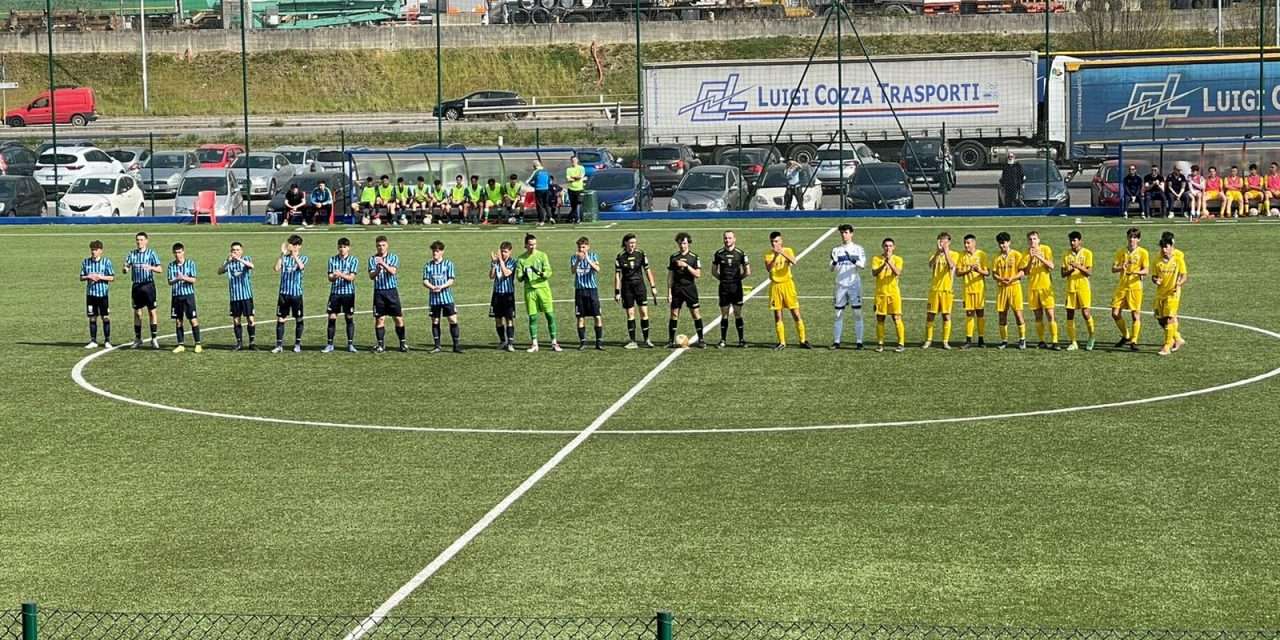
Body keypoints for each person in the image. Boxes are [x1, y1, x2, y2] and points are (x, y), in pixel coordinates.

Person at [765, 231, 810, 350]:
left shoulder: (788, 250)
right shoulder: (768, 254)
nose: (774, 244)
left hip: (788, 285)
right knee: (778, 315)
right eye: (772, 242)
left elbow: (794, 261)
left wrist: (782, 253)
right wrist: (775, 255)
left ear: (781, 241)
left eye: (776, 241)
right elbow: (768, 268)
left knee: (795, 313)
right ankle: (782, 342)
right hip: (775, 286)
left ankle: (803, 340)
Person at [516, 233, 560, 352]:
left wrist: (541, 274)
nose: (533, 247)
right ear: (525, 245)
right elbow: (519, 278)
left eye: (534, 244)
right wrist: (524, 274)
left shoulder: (542, 256)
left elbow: (548, 272)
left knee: (550, 315)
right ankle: (534, 343)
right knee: (533, 317)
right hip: (530, 290)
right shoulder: (521, 259)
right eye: (530, 245)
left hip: (543, 289)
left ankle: (554, 342)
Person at [615, 233, 657, 349]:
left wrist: (653, 286)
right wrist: (617, 292)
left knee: (644, 312)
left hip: (640, 287)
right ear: (625, 243)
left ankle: (646, 339)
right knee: (630, 314)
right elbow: (618, 275)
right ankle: (632, 341)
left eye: (634, 243)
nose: (633, 245)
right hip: (627, 288)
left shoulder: (641, 254)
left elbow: (648, 271)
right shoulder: (620, 256)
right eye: (630, 243)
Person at [1110, 227, 1149, 351]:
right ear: (1127, 238)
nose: (1132, 240)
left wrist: (1137, 272)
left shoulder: (1143, 252)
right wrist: (1121, 267)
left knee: (1135, 315)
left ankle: (1134, 340)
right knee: (1115, 313)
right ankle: (1126, 335)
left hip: (1135, 287)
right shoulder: (1121, 252)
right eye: (1130, 237)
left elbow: (1146, 270)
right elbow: (1113, 268)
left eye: (1134, 237)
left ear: (1139, 239)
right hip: (1122, 286)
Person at [123, 231, 163, 349]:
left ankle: (154, 338)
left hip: (148, 286)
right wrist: (125, 269)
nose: (139, 242)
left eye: (141, 240)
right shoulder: (132, 254)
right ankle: (138, 338)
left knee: (152, 311)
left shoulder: (151, 253)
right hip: (136, 286)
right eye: (137, 240)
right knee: (137, 312)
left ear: (146, 241)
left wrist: (150, 267)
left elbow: (160, 269)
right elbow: (126, 266)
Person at [712, 230, 750, 349]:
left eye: (729, 238)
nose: (727, 240)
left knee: (737, 314)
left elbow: (748, 271)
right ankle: (723, 340)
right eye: (725, 238)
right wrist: (723, 280)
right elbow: (714, 271)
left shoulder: (741, 254)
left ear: (734, 239)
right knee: (724, 314)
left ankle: (741, 340)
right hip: (724, 288)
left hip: (736, 288)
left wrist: (737, 280)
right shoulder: (718, 253)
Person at [829, 223, 865, 349]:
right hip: (840, 285)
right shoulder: (836, 250)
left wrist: (852, 259)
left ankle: (859, 342)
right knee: (838, 314)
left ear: (851, 233)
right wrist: (834, 262)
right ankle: (836, 341)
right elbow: (831, 268)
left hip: (854, 285)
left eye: (846, 232)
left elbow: (862, 265)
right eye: (842, 233)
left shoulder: (858, 249)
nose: (844, 235)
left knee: (857, 313)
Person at [368, 235, 407, 353]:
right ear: (376, 246)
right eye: (379, 245)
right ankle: (380, 344)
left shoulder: (393, 257)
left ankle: (402, 343)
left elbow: (393, 271)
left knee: (398, 318)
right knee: (380, 319)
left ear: (387, 245)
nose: (381, 248)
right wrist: (377, 270)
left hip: (391, 292)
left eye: (383, 245)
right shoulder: (371, 259)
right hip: (379, 292)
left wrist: (383, 264)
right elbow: (371, 276)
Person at [423, 240, 462, 353]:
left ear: (442, 252)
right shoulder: (428, 265)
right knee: (435, 321)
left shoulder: (448, 264)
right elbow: (425, 280)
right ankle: (437, 346)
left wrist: (441, 286)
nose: (435, 253)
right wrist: (432, 287)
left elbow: (451, 280)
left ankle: (456, 345)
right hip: (434, 299)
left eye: (437, 251)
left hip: (447, 298)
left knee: (452, 320)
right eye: (434, 251)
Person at [1021, 230, 1059, 349]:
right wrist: (1032, 259)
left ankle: (1055, 341)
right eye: (1030, 239)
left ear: (1039, 240)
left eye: (1034, 239)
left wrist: (1039, 256)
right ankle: (1041, 341)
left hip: (1045, 287)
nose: (1032, 241)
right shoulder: (1025, 254)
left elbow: (1051, 266)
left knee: (1050, 315)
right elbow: (1025, 272)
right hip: (1033, 288)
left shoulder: (1046, 249)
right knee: (1038, 316)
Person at [667, 232, 705, 348]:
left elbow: (698, 274)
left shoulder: (694, 257)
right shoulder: (673, 257)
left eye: (684, 243)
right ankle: (670, 341)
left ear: (688, 243)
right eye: (680, 243)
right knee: (674, 314)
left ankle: (701, 339)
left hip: (689, 288)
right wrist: (669, 292)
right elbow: (670, 276)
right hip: (677, 289)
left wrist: (686, 265)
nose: (682, 246)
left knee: (695, 313)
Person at [922, 231, 958, 349]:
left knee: (946, 316)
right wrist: (938, 252)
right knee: (930, 315)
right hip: (934, 290)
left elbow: (952, 266)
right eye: (940, 241)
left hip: (947, 290)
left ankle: (945, 341)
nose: (942, 243)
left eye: (944, 241)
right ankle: (928, 340)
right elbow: (930, 264)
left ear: (949, 242)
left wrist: (946, 252)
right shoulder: (935, 255)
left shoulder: (954, 254)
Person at [1152, 235, 1188, 356]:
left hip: (1173, 294)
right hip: (1160, 294)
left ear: (1171, 246)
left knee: (1169, 318)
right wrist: (1156, 280)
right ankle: (1177, 338)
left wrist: (1179, 284)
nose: (1163, 249)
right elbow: (1154, 276)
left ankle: (1167, 346)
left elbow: (1184, 276)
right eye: (1162, 247)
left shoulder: (1178, 259)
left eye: (1166, 247)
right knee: (1160, 320)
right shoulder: (1157, 261)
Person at [991, 231, 1027, 350]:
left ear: (1009, 242)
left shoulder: (1017, 255)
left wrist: (1012, 278)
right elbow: (994, 274)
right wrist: (1001, 278)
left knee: (1018, 314)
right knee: (1002, 315)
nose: (1002, 246)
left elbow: (1022, 272)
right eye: (1000, 244)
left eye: (1004, 243)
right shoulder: (996, 257)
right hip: (1002, 288)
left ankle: (1022, 339)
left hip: (1014, 287)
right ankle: (1004, 341)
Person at [272, 234, 308, 353]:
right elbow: (276, 269)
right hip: (283, 293)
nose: (289, 246)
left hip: (296, 294)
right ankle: (279, 345)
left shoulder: (303, 258)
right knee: (281, 319)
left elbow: (301, 267)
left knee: (298, 318)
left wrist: (293, 255)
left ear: (298, 246)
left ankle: (297, 344)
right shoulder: (285, 258)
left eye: (291, 244)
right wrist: (282, 254)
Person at [218, 241, 256, 351]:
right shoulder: (228, 262)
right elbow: (219, 271)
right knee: (236, 320)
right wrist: (226, 263)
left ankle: (252, 342)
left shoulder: (246, 259)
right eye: (233, 250)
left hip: (246, 295)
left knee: (250, 319)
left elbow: (251, 266)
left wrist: (239, 259)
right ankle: (239, 343)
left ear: (242, 251)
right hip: (234, 296)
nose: (235, 252)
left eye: (237, 250)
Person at [324, 237, 359, 353]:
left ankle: (350, 344)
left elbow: (352, 278)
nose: (342, 249)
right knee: (332, 317)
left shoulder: (353, 260)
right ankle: (329, 344)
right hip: (335, 294)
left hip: (348, 294)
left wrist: (340, 274)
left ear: (348, 248)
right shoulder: (332, 260)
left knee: (349, 317)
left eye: (344, 247)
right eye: (340, 247)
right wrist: (334, 276)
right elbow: (330, 278)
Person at [1061, 230, 1095, 351]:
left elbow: (1089, 272)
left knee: (1086, 313)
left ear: (1080, 241)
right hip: (1071, 287)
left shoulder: (1087, 253)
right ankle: (1073, 342)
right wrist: (1070, 270)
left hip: (1083, 287)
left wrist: (1078, 266)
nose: (1072, 242)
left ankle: (1091, 336)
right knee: (1070, 314)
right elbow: (1062, 274)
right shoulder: (1066, 254)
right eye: (1071, 240)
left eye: (1074, 240)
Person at [870, 237, 905, 353]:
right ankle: (880, 343)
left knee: (897, 318)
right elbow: (874, 273)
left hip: (894, 293)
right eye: (886, 246)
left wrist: (889, 262)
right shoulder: (876, 259)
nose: (888, 248)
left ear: (894, 247)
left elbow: (898, 273)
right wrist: (883, 264)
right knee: (880, 318)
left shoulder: (898, 259)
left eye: (890, 246)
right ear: (882, 247)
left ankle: (901, 343)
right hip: (880, 294)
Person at [166, 242, 201, 353]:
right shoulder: (171, 265)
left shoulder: (190, 264)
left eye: (179, 252)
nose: (177, 255)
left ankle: (198, 343)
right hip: (176, 296)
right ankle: (181, 344)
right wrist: (177, 279)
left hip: (188, 296)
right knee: (178, 321)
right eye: (175, 253)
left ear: (183, 252)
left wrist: (183, 278)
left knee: (193, 320)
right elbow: (170, 281)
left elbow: (194, 279)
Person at [571, 236, 605, 350]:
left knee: (597, 316)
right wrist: (578, 261)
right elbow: (572, 271)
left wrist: (588, 260)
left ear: (588, 247)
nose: (581, 249)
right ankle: (582, 342)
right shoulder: (574, 257)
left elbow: (597, 269)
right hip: (580, 290)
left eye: (584, 247)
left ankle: (598, 342)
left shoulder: (593, 256)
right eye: (580, 247)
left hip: (592, 290)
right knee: (580, 317)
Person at [80, 239, 115, 349]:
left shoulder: (106, 262)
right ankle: (93, 340)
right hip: (91, 294)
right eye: (92, 250)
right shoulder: (86, 262)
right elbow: (81, 277)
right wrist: (88, 276)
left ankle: (107, 340)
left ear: (101, 251)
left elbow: (112, 277)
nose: (93, 252)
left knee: (105, 317)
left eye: (95, 250)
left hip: (103, 294)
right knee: (92, 317)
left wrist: (100, 277)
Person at [956, 233, 988, 348]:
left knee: (980, 313)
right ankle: (968, 340)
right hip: (967, 289)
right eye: (965, 243)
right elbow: (957, 273)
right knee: (969, 314)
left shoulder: (982, 255)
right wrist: (968, 270)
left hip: (979, 289)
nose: (966, 245)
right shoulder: (961, 256)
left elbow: (987, 273)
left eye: (968, 243)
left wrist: (979, 270)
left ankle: (981, 339)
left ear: (974, 243)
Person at [489, 241, 518, 351]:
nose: (503, 253)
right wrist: (493, 263)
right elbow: (491, 276)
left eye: (505, 252)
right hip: (497, 294)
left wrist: (500, 261)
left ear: (510, 252)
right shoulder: (496, 262)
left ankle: (510, 343)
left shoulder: (512, 262)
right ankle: (502, 341)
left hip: (508, 295)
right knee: (497, 319)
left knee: (509, 319)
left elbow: (506, 273)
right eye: (502, 251)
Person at [530, 162, 553, 226]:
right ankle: (550, 217)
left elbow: (528, 181)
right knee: (546, 204)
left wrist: (534, 185)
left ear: (535, 166)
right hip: (546, 189)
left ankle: (541, 221)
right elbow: (549, 181)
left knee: (540, 205)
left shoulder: (536, 172)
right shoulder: (546, 172)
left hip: (539, 190)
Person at [566, 156, 587, 223]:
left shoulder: (581, 168)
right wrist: (576, 178)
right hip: (571, 189)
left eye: (575, 160)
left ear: (577, 160)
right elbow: (569, 179)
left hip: (579, 189)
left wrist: (574, 178)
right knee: (573, 206)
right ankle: (571, 218)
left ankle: (577, 218)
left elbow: (581, 177)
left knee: (578, 203)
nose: (573, 162)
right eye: (572, 160)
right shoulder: (568, 169)